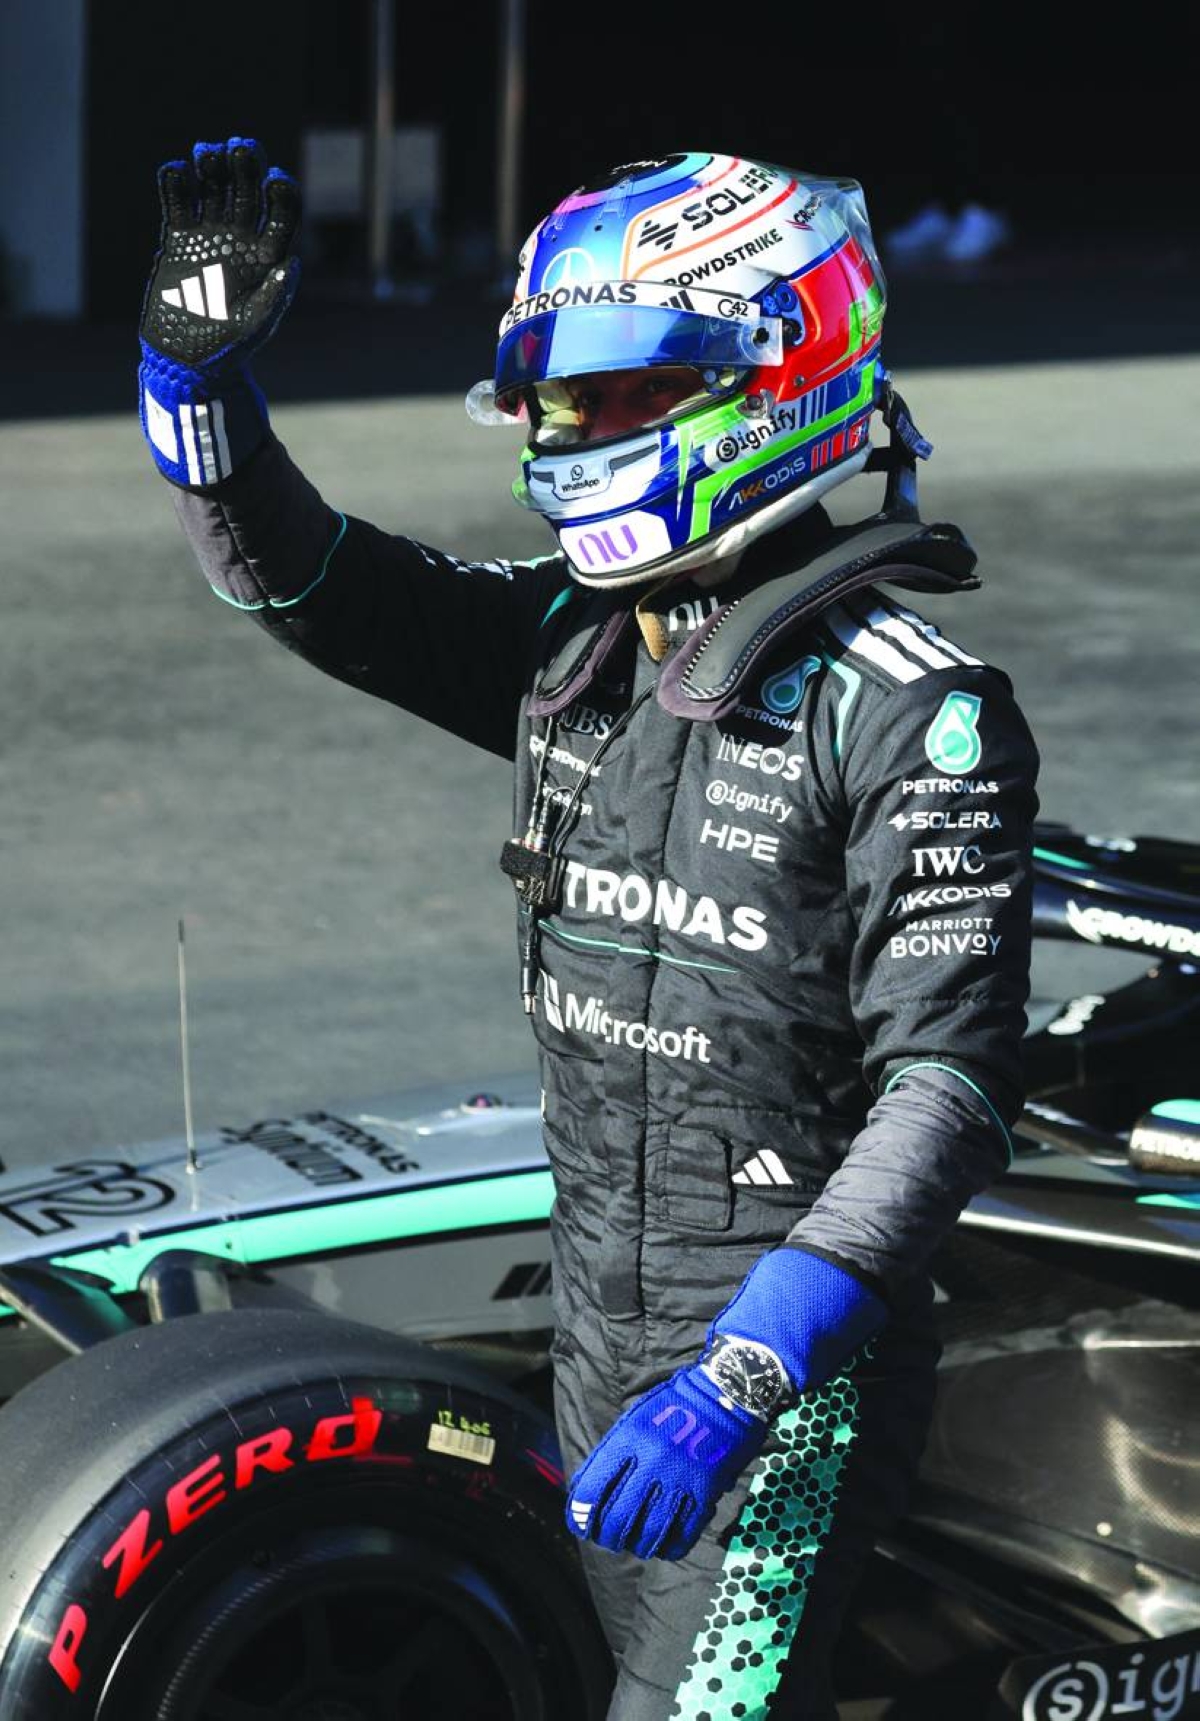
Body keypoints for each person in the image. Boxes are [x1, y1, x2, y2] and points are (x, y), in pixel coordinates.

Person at [138, 140, 1038, 1719]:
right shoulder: (580, 646)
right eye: (563, 401)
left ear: (781, 376)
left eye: (627, 397)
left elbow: (948, 1093)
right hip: (597, 1342)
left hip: (780, 1397)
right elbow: (323, 589)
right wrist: (195, 400)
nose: (582, 435)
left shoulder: (914, 710)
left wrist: (738, 1383)